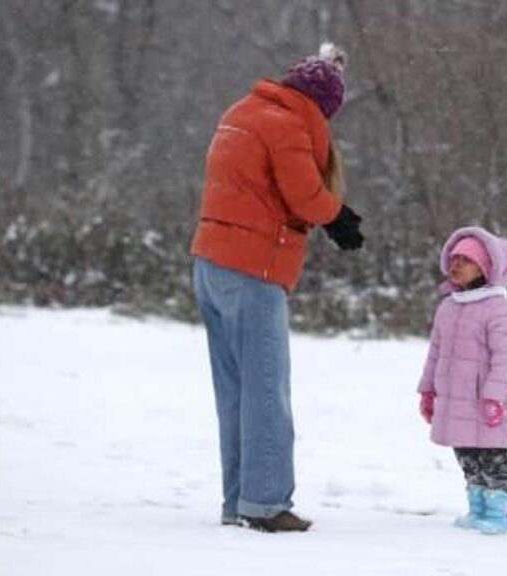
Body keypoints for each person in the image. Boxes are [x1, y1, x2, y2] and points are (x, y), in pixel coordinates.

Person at [189, 43, 364, 533]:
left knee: (235, 391)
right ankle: (265, 503)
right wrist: (340, 218)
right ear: (321, 105)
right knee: (266, 390)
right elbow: (304, 193)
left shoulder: (241, 111)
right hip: (253, 269)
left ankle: (237, 501)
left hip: (210, 263)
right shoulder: (288, 124)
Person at [417, 226, 507, 535]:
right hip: (454, 401)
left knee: (492, 457)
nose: (456, 264)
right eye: (454, 258)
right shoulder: (448, 307)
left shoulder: (500, 310)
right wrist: (428, 391)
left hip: (486, 402)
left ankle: (500, 513)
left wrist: (494, 395)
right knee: (467, 456)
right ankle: (478, 509)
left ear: (487, 267)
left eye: (467, 259)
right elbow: (435, 353)